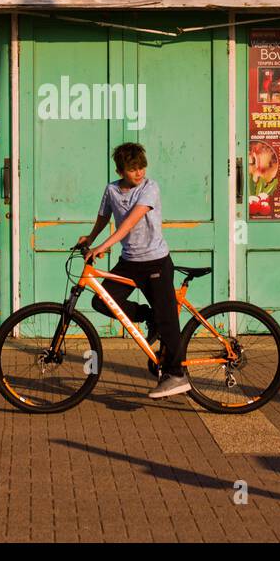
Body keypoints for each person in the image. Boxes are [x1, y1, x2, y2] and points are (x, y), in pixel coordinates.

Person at [77, 142, 189, 399]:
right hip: (130, 262)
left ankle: (177, 375)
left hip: (155, 262)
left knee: (168, 319)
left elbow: (129, 222)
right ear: (120, 170)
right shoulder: (112, 190)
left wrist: (104, 245)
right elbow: (105, 217)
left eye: (141, 167)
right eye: (132, 169)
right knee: (102, 301)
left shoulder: (150, 188)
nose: (139, 173)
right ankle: (147, 316)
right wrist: (91, 238)